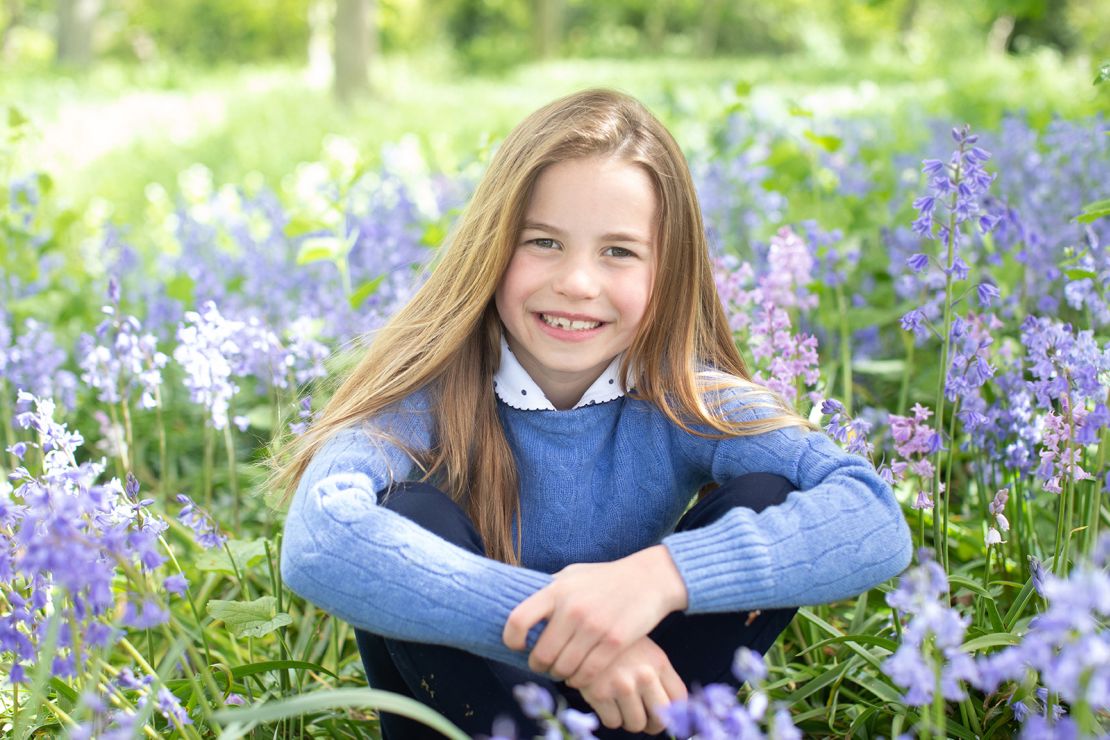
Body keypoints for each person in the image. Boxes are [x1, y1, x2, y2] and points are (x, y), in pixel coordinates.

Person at [275, 89, 913, 739]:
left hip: (638, 715)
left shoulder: (687, 398)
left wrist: (658, 579)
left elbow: (874, 517)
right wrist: (567, 635)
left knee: (771, 493)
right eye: (545, 242)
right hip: (478, 716)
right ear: (491, 248)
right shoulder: (426, 397)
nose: (578, 281)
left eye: (618, 251)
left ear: (667, 272)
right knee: (407, 514)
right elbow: (319, 540)